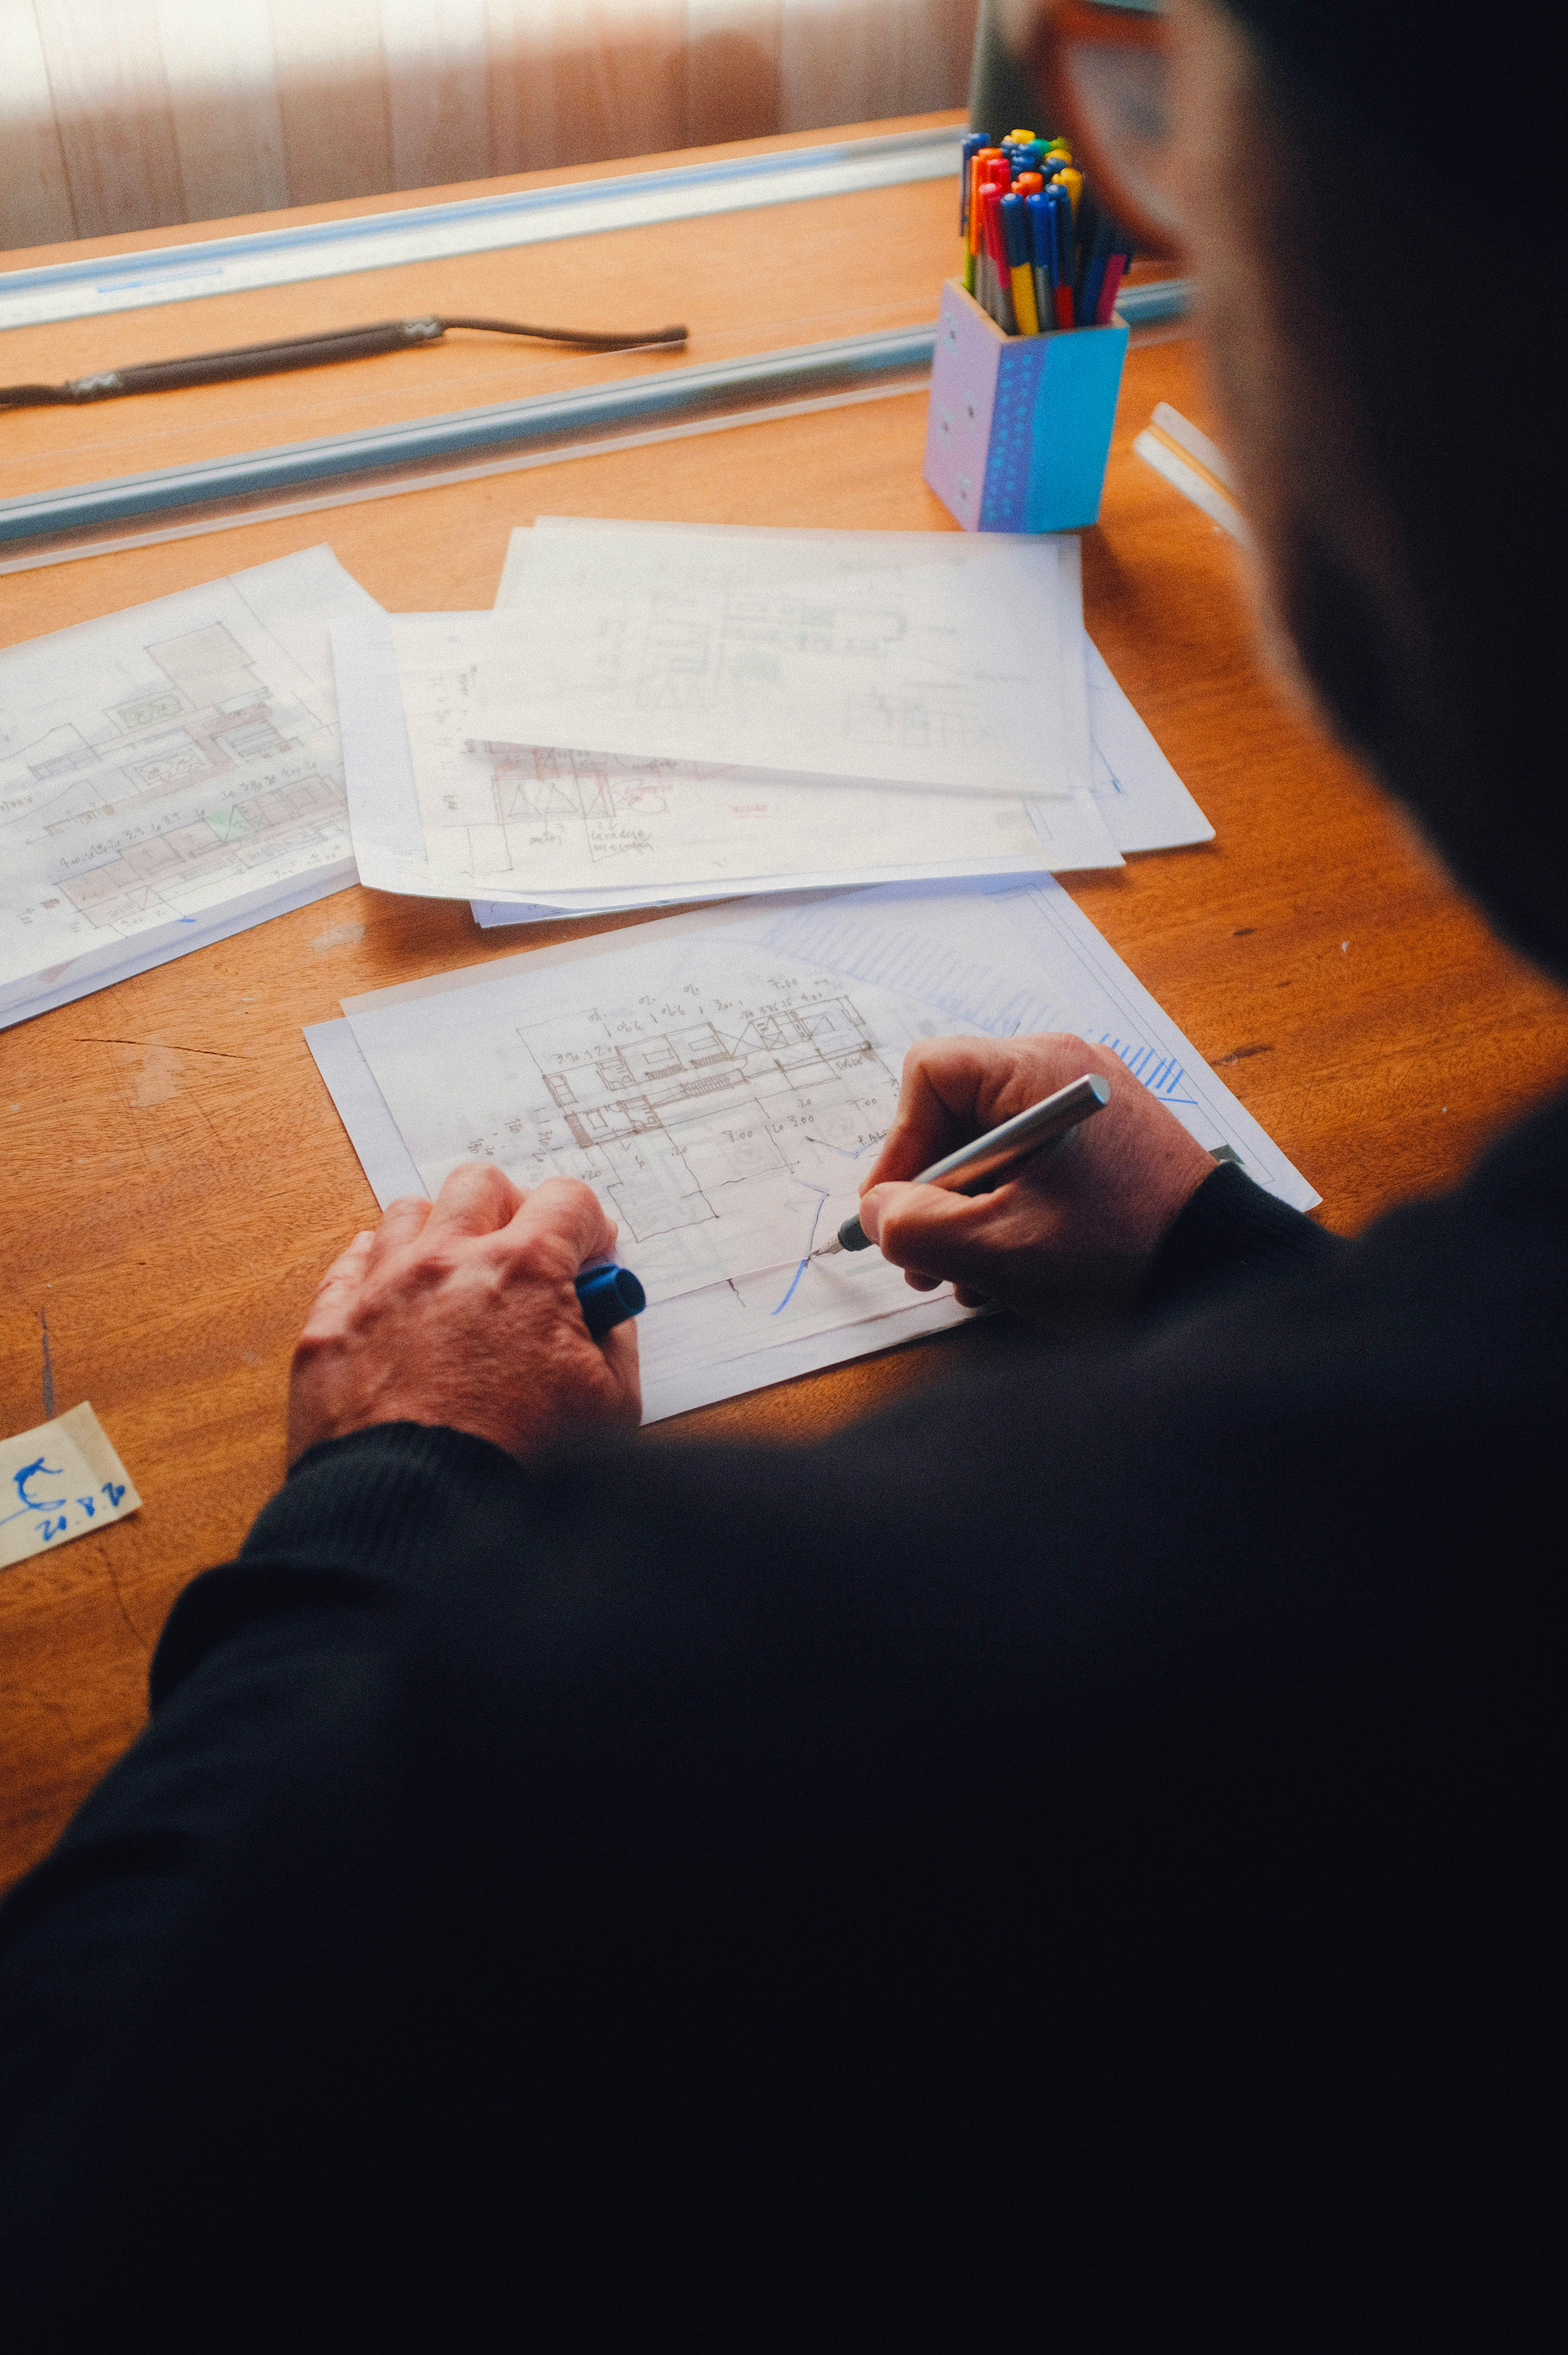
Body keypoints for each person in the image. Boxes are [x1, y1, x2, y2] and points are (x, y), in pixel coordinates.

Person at [2, 1, 1562, 2340]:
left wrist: (399, 1485)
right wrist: (1230, 1258)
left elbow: (77, 2164)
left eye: (1164, 116)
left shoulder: (750, 1688)